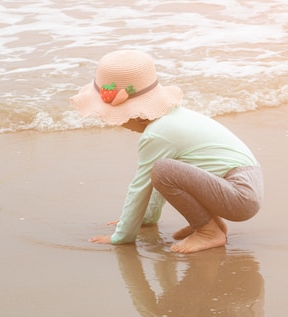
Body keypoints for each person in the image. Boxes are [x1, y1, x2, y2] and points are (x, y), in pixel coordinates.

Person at [70, 50, 263, 253]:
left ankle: (209, 232)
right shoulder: (174, 117)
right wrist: (148, 218)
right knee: (167, 169)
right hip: (243, 187)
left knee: (163, 170)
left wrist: (123, 236)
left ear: (133, 115)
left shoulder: (156, 135)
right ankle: (212, 223)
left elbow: (141, 186)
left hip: (239, 197)